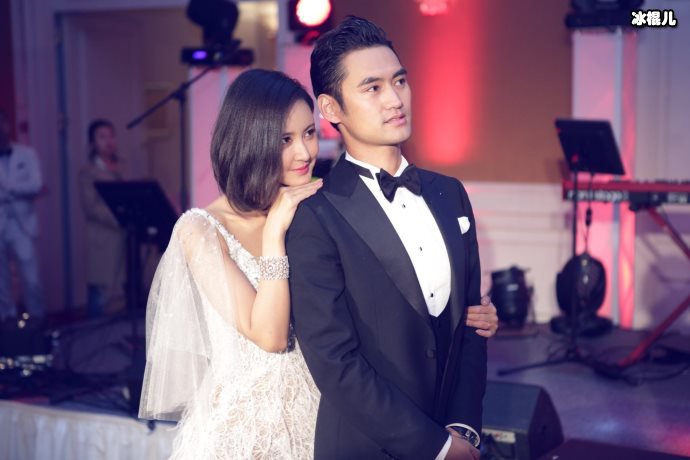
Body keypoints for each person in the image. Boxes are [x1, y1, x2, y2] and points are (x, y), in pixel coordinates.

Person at [139, 69, 498, 459]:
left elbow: (381, 301)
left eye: (309, 133)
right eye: (285, 139)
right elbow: (270, 336)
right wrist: (274, 236)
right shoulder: (201, 230)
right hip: (246, 434)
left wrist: (463, 314)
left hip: (319, 421)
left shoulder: (318, 207)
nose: (305, 152)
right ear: (249, 140)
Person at [286, 17, 491, 460]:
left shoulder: (450, 193)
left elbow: (472, 324)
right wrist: (437, 447)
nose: (395, 99)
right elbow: (335, 363)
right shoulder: (316, 215)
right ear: (331, 109)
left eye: (399, 81)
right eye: (373, 88)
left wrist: (463, 429)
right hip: (367, 446)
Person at [0, 108, 44, 323]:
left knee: (31, 279)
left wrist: (10, 189)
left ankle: (37, 323)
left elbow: (36, 184)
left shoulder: (27, 154)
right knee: (2, 282)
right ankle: (6, 325)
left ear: (7, 124)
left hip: (22, 225)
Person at [78, 119, 125, 318]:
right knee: (99, 295)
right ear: (92, 143)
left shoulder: (121, 167)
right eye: (102, 137)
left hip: (123, 239)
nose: (108, 141)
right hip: (101, 239)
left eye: (111, 136)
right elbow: (92, 207)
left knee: (120, 296)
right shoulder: (88, 172)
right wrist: (120, 216)